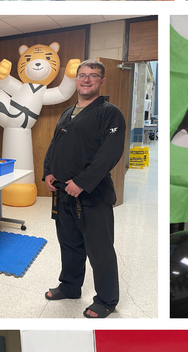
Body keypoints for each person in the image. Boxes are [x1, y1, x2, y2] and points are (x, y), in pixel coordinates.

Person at [42, 59, 127, 319]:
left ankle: (106, 300)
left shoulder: (109, 113)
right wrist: (48, 171)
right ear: (76, 80)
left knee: (99, 248)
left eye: (93, 75)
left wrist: (82, 182)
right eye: (82, 75)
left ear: (102, 81)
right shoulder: (69, 112)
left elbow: (109, 154)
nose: (86, 79)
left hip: (92, 195)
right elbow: (55, 145)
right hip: (64, 193)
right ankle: (70, 286)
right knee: (69, 244)